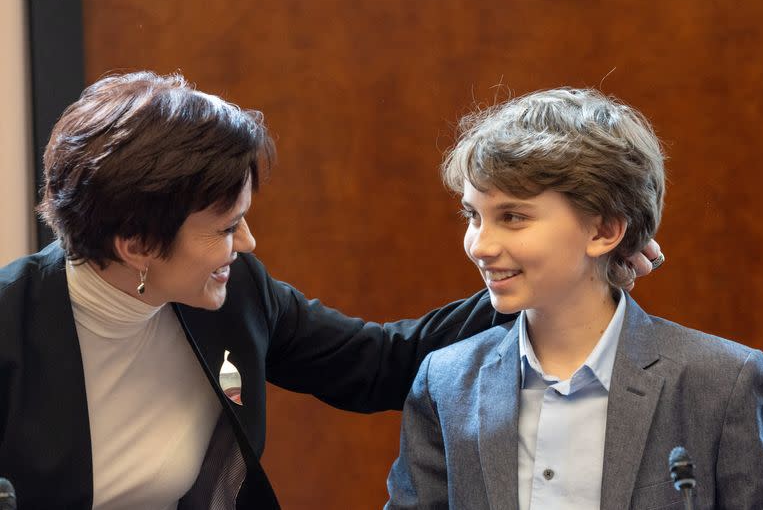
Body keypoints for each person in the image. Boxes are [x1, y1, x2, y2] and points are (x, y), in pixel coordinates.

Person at [0, 73, 657, 510]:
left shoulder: (234, 293)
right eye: (226, 227)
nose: (248, 244)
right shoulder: (11, 322)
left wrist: (542, 280)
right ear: (138, 244)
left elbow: (382, 364)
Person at [385, 88, 763, 509]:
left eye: (512, 217)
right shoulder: (445, 381)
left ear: (603, 232)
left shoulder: (723, 382)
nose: (479, 245)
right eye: (473, 216)